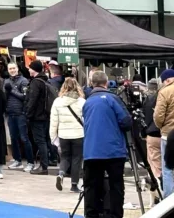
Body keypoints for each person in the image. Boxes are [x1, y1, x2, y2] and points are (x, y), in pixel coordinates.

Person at [83, 70, 132, 217]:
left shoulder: (87, 102)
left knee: (91, 186)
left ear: (92, 84)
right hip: (113, 150)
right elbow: (126, 121)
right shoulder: (112, 99)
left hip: (91, 151)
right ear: (106, 83)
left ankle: (92, 214)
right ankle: (115, 214)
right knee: (116, 186)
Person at [50, 77, 85, 193]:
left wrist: (53, 137)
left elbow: (53, 121)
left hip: (64, 134)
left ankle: (61, 174)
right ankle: (74, 185)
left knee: (65, 157)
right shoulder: (82, 102)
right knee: (77, 159)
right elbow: (85, 120)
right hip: (79, 134)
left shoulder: (57, 102)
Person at [26, 60, 54, 175]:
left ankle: (43, 166)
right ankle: (46, 163)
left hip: (37, 116)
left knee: (40, 141)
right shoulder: (45, 81)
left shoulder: (36, 83)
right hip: (46, 115)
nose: (28, 70)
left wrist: (28, 114)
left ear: (34, 69)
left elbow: (32, 100)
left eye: (30, 68)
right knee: (45, 140)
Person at [4, 62, 33, 172]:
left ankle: (30, 162)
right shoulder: (6, 81)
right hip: (10, 113)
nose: (12, 70)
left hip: (21, 113)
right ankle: (17, 160)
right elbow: (4, 96)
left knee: (24, 138)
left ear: (17, 69)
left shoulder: (24, 81)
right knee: (13, 138)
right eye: (10, 68)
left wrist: (11, 90)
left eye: (13, 68)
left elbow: (25, 96)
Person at [154, 68, 174, 199]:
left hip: (169, 135)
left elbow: (158, 116)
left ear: (167, 80)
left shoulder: (164, 92)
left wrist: (160, 126)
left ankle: (169, 201)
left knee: (167, 169)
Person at [144, 78, 162, 184]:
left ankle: (158, 187)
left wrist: (143, 131)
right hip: (166, 133)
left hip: (152, 133)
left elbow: (145, 117)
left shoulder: (149, 99)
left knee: (154, 164)